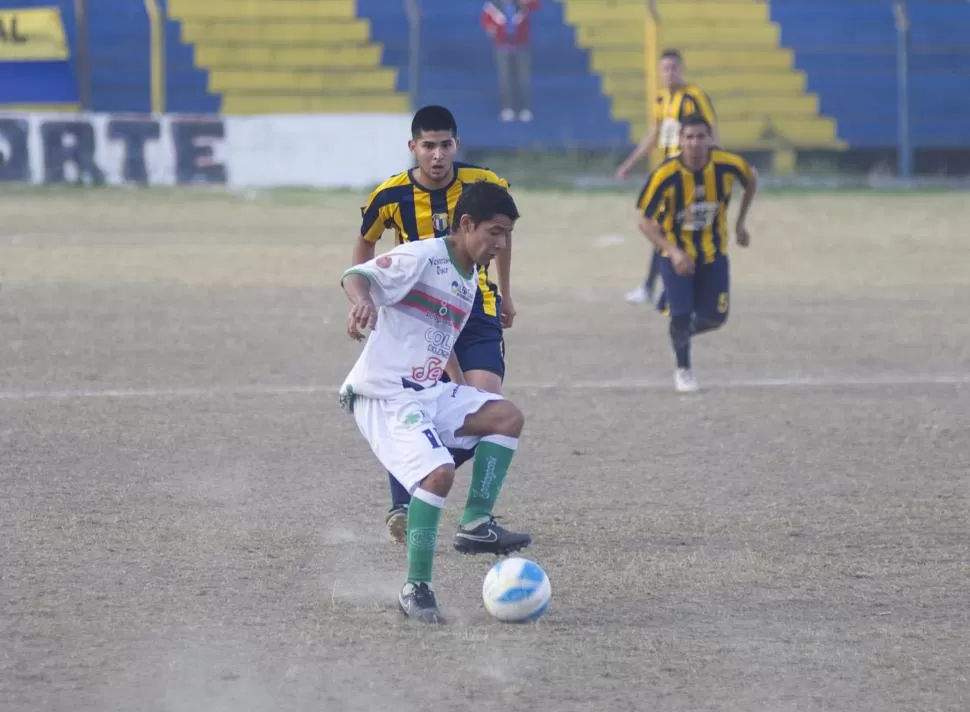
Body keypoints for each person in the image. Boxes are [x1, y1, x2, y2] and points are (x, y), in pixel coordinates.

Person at [339, 181, 531, 624]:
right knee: (438, 472)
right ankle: (416, 588)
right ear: (467, 224)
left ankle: (477, 523)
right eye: (495, 232)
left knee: (504, 415)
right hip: (385, 395)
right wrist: (362, 304)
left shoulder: (466, 280)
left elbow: (438, 342)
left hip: (427, 392)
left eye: (508, 236)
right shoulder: (423, 257)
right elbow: (357, 275)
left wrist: (464, 394)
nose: (500, 244)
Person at [352, 105, 517, 544]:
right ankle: (409, 498)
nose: (438, 154)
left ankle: (472, 517)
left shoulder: (484, 185)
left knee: (485, 407)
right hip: (423, 313)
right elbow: (365, 245)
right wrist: (366, 299)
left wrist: (506, 291)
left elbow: (503, 234)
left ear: (456, 144)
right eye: (428, 146)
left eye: (445, 144)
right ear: (413, 148)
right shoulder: (390, 195)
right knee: (414, 403)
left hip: (475, 307)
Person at [635, 113, 757, 393]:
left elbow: (751, 179)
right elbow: (644, 222)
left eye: (701, 136)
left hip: (714, 254)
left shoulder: (727, 165)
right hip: (676, 256)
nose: (695, 143)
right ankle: (684, 369)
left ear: (710, 139)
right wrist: (673, 252)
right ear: (680, 141)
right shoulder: (665, 176)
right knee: (680, 314)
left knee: (716, 318)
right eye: (689, 137)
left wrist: (740, 223)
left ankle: (679, 334)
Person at [616, 49, 720, 307]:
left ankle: (657, 287)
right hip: (668, 173)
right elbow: (654, 136)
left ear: (682, 69)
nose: (670, 73)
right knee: (665, 227)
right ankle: (657, 286)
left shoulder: (694, 97)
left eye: (674, 67)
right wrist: (630, 164)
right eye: (665, 68)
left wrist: (712, 167)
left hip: (689, 173)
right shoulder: (661, 99)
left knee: (669, 227)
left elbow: (711, 131)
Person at [481, 0, 540, 122]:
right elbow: (485, 19)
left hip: (521, 46)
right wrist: (489, 28)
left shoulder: (523, 4)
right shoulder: (493, 5)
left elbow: (536, 5)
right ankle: (507, 108)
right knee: (506, 79)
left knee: (523, 78)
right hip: (502, 47)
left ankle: (524, 108)